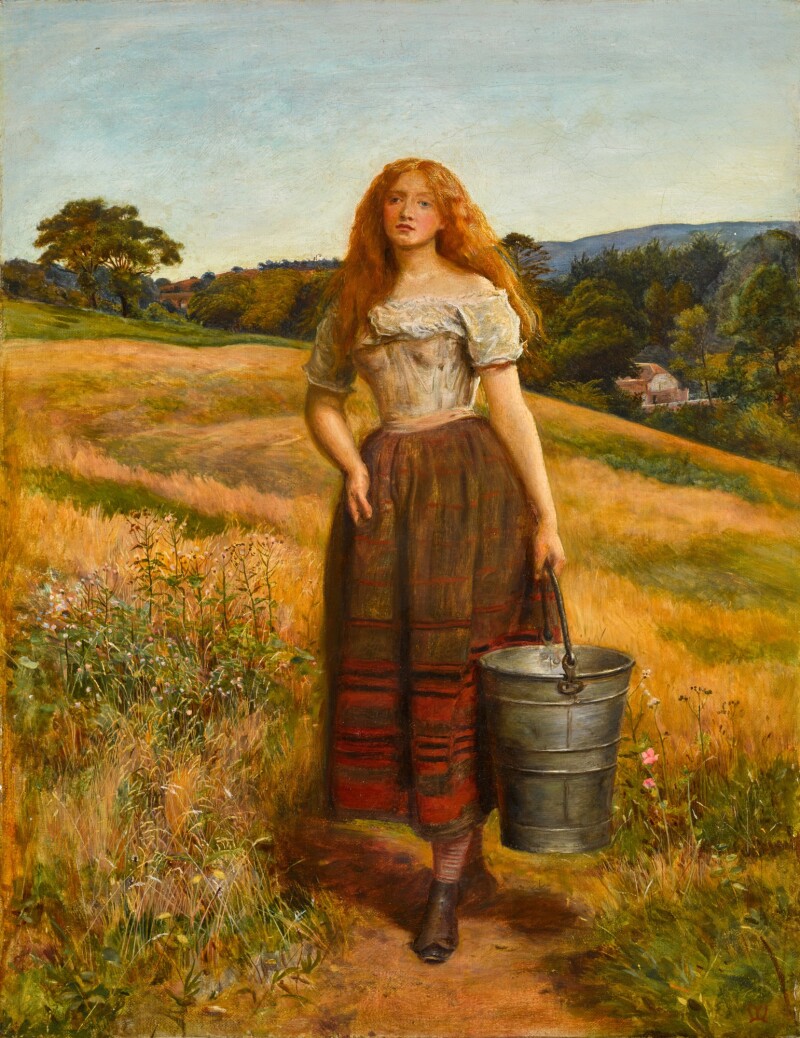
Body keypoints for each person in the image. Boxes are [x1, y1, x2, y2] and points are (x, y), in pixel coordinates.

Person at [303, 157, 566, 965]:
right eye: (395, 201)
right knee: (407, 671)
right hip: (385, 498)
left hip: (471, 492)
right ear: (376, 213)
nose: (407, 213)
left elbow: (511, 409)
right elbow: (320, 399)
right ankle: (462, 859)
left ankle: (445, 889)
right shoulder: (356, 302)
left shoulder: (475, 296)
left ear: (449, 216)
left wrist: (546, 517)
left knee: (461, 673)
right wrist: (352, 464)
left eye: (424, 202)